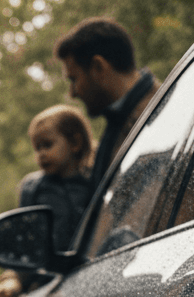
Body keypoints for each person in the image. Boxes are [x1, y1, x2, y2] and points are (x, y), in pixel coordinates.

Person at [54, 17, 160, 189]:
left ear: (98, 67)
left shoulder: (155, 124)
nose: (72, 93)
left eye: (74, 79)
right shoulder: (122, 119)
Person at [17, 103, 95, 253]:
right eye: (37, 148)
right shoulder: (33, 188)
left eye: (47, 145)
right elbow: (25, 234)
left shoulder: (94, 184)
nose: (41, 154)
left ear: (75, 143)